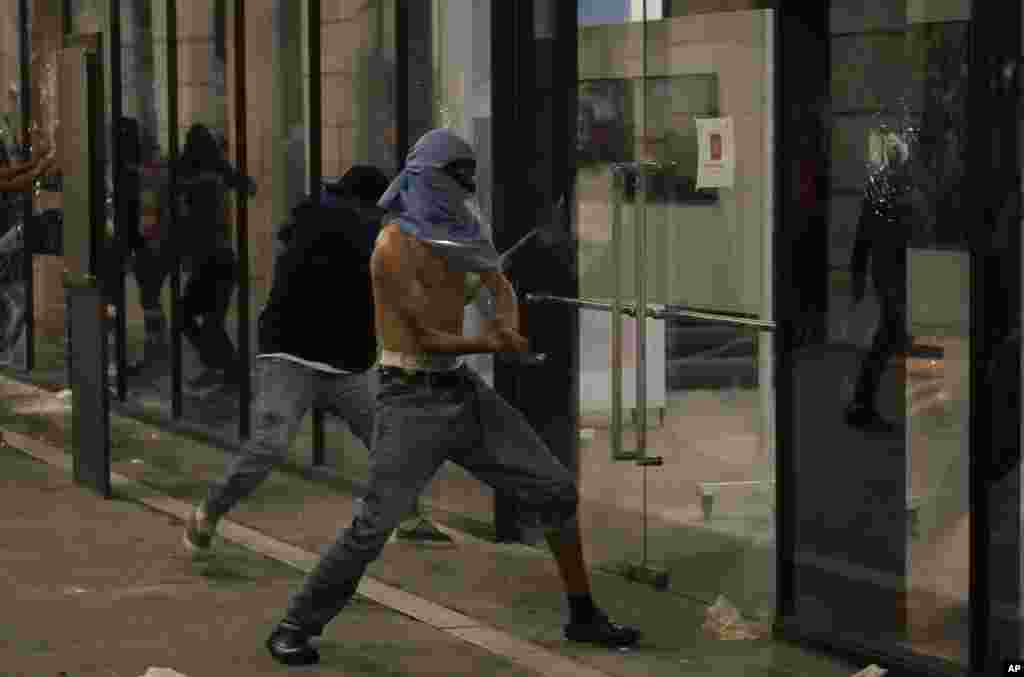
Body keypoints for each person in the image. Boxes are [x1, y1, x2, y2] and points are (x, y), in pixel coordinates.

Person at [264, 128, 641, 666]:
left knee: (555, 491)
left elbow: (497, 282)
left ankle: (583, 614)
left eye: (468, 176)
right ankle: (296, 623)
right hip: (408, 398)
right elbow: (424, 337)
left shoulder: (464, 228)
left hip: (461, 390)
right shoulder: (392, 246)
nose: (463, 188)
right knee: (373, 526)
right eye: (454, 176)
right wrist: (494, 341)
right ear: (424, 177)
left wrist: (506, 323)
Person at [183, 165, 390, 553]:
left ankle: (404, 514)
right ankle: (209, 510)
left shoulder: (344, 227)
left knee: (386, 440)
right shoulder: (333, 225)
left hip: (343, 363)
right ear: (367, 205)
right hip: (292, 356)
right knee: (270, 444)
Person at [173, 123, 257, 391]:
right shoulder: (213, 173)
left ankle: (229, 370)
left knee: (202, 321)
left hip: (213, 259)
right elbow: (248, 186)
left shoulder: (199, 178)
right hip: (216, 259)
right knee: (206, 321)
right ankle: (227, 369)